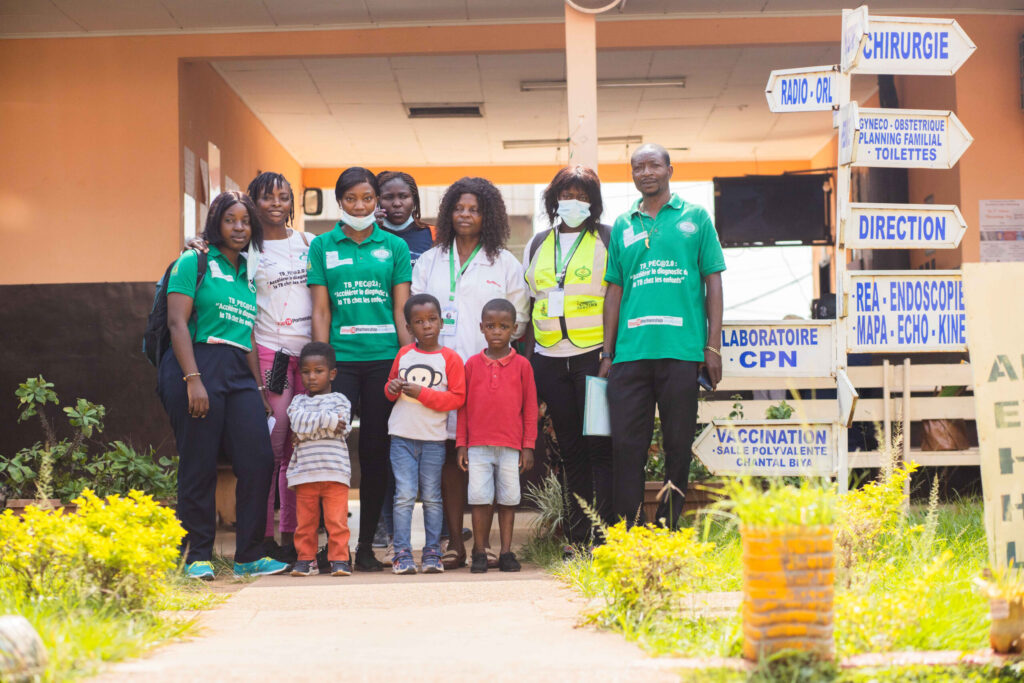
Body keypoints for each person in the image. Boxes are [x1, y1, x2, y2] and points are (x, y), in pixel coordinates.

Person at [158, 190, 289, 579]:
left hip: (237, 370)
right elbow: (177, 323)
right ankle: (196, 554)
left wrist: (260, 390)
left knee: (259, 460)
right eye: (231, 220)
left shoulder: (247, 273)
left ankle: (248, 554)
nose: (239, 227)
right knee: (199, 464)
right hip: (197, 363)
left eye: (246, 221)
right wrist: (193, 379)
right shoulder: (193, 261)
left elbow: (244, 335)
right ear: (216, 222)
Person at [186, 171, 310, 563]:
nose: (276, 204)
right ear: (254, 203)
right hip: (270, 354)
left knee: (302, 449)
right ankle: (264, 537)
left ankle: (294, 537)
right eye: (267, 197)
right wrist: (197, 244)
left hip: (308, 358)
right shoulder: (246, 251)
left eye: (284, 197)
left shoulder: (310, 243)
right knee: (269, 449)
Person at [601, 143, 725, 529]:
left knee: (677, 447)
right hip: (629, 356)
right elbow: (614, 291)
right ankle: (631, 529)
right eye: (638, 167)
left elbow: (713, 282)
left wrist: (713, 346)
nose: (646, 172)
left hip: (682, 352)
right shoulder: (623, 224)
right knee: (626, 448)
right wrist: (608, 353)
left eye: (654, 165)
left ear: (670, 169)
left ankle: (670, 529)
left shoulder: (696, 217)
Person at [412, 177, 529, 569]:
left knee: (486, 458)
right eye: (459, 208)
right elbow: (414, 314)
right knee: (449, 457)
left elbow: (520, 320)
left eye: (474, 209)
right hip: (438, 373)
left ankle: (486, 544)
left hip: (486, 377)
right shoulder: (429, 260)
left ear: (488, 216)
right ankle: (454, 543)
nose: (466, 215)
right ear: (448, 213)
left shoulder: (505, 263)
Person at [308, 166, 412, 572]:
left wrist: (407, 361)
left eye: (367, 198)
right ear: (340, 202)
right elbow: (321, 309)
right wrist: (322, 364)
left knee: (374, 454)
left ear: (376, 202)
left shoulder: (394, 247)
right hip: (341, 365)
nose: (360, 206)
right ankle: (332, 548)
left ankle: (366, 546)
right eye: (351, 199)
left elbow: (402, 308)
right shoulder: (322, 246)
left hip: (385, 362)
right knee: (329, 453)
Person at [523, 165, 613, 556]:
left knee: (600, 446)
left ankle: (606, 534)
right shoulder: (538, 242)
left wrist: (611, 354)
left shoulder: (607, 238)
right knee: (571, 449)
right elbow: (531, 302)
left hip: (594, 359)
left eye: (581, 196)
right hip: (550, 360)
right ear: (554, 199)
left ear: (593, 202)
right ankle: (578, 538)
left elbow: (617, 299)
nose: (573, 202)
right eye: (566, 195)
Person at [373, 170, 435, 551]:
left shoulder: (431, 238)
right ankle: (383, 523)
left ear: (414, 199)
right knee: (388, 439)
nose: (396, 204)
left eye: (403, 197)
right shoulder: (371, 239)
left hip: (427, 348)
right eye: (388, 197)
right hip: (384, 348)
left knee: (432, 436)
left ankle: (438, 524)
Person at [384, 293, 466, 575]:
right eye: (419, 322)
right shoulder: (404, 354)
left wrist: (423, 394)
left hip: (433, 440)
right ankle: (403, 553)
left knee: (432, 496)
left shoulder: (450, 359)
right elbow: (389, 388)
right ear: (409, 328)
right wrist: (392, 388)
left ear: (442, 322)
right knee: (404, 495)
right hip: (402, 436)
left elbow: (457, 398)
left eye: (432, 319)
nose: (427, 326)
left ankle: (432, 551)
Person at [456, 299, 536, 574]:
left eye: (504, 326)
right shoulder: (471, 365)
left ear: (515, 328)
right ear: (481, 328)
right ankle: (479, 552)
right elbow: (463, 408)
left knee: (508, 499)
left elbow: (529, 409)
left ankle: (506, 552)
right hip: (477, 446)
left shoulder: (523, 366)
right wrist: (462, 444)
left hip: (511, 446)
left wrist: (528, 446)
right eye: (491, 326)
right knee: (479, 498)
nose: (497, 332)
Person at [287, 342, 354, 577]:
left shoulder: (341, 400)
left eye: (318, 371)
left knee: (337, 522)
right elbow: (296, 423)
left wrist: (307, 429)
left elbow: (341, 427)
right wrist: (328, 421)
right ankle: (306, 559)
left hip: (335, 473)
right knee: (305, 523)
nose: (311, 377)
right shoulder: (297, 401)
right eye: (305, 372)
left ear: (332, 373)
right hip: (305, 473)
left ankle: (340, 559)